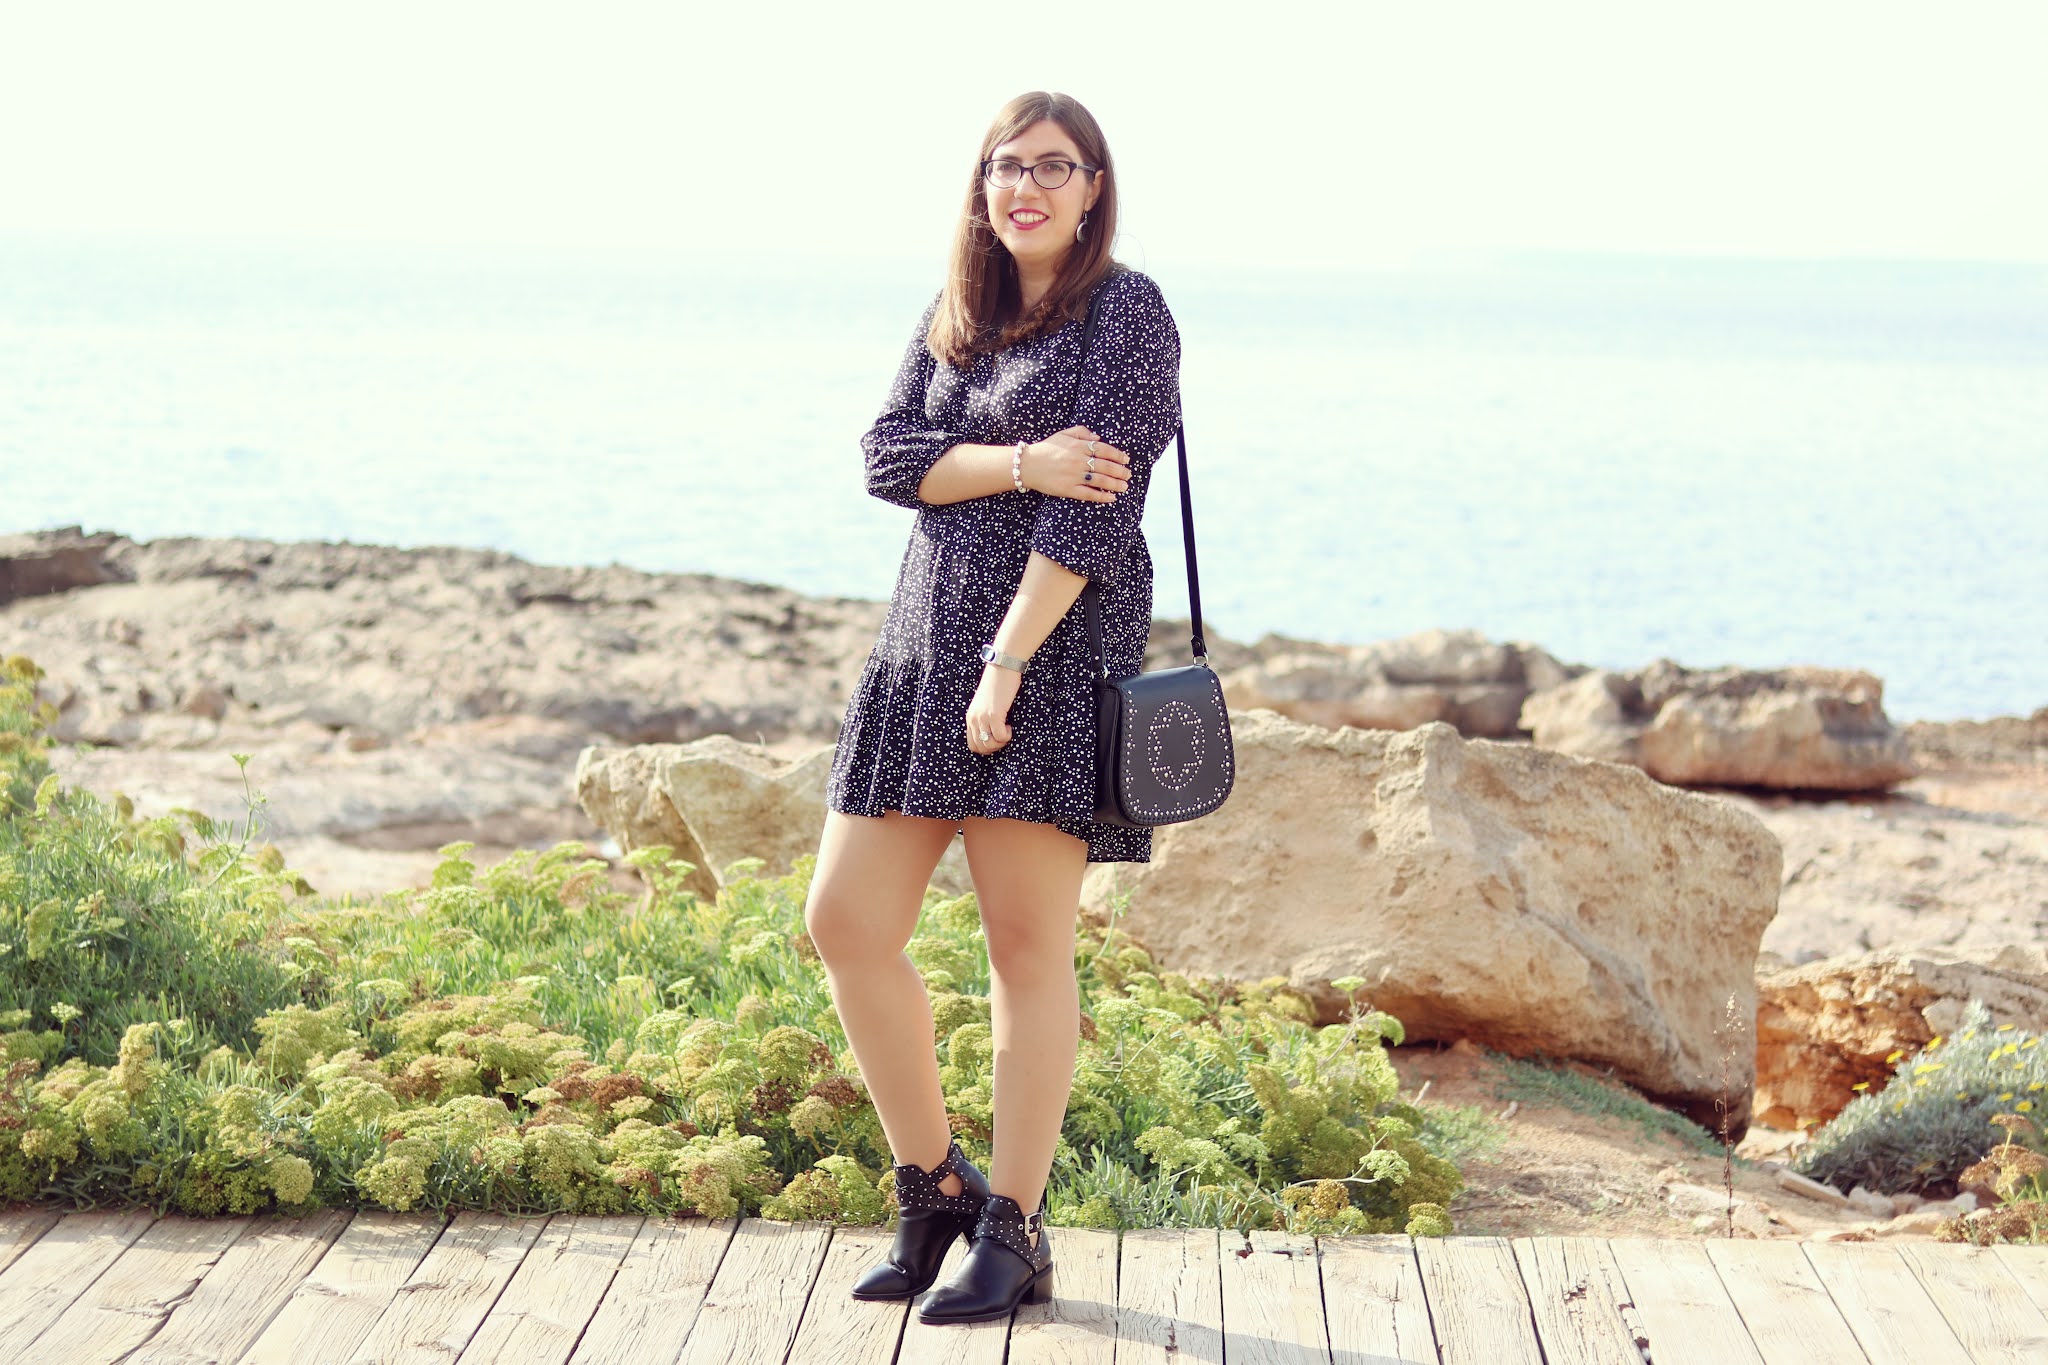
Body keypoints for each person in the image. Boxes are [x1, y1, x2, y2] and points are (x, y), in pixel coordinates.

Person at [803, 90, 1181, 1325]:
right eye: (1006, 166)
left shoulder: (1127, 312)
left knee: (1024, 948)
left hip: (1049, 664)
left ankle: (1013, 1227)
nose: (1025, 187)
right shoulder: (955, 311)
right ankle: (933, 1188)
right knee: (845, 921)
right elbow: (885, 459)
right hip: (919, 655)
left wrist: (1006, 663)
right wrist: (1023, 460)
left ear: (1092, 188)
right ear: (981, 186)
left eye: (1053, 167)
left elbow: (1096, 509)